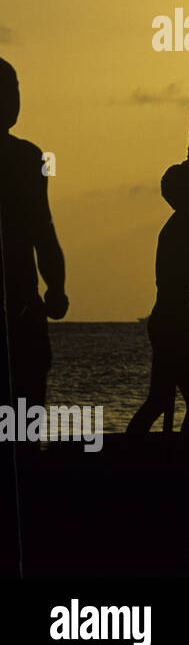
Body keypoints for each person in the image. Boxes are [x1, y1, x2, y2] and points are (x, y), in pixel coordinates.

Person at [0, 57, 68, 417]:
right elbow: (43, 229)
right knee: (25, 406)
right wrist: (55, 288)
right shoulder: (27, 158)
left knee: (27, 402)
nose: (15, 101)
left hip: (24, 303)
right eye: (8, 92)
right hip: (21, 303)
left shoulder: (29, 157)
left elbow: (44, 228)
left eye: (16, 91)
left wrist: (56, 287)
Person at [127, 161, 189, 438]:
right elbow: (178, 284)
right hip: (173, 325)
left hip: (170, 323)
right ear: (188, 193)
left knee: (161, 400)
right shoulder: (185, 227)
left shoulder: (187, 224)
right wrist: (188, 326)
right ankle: (181, 460)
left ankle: (138, 451)